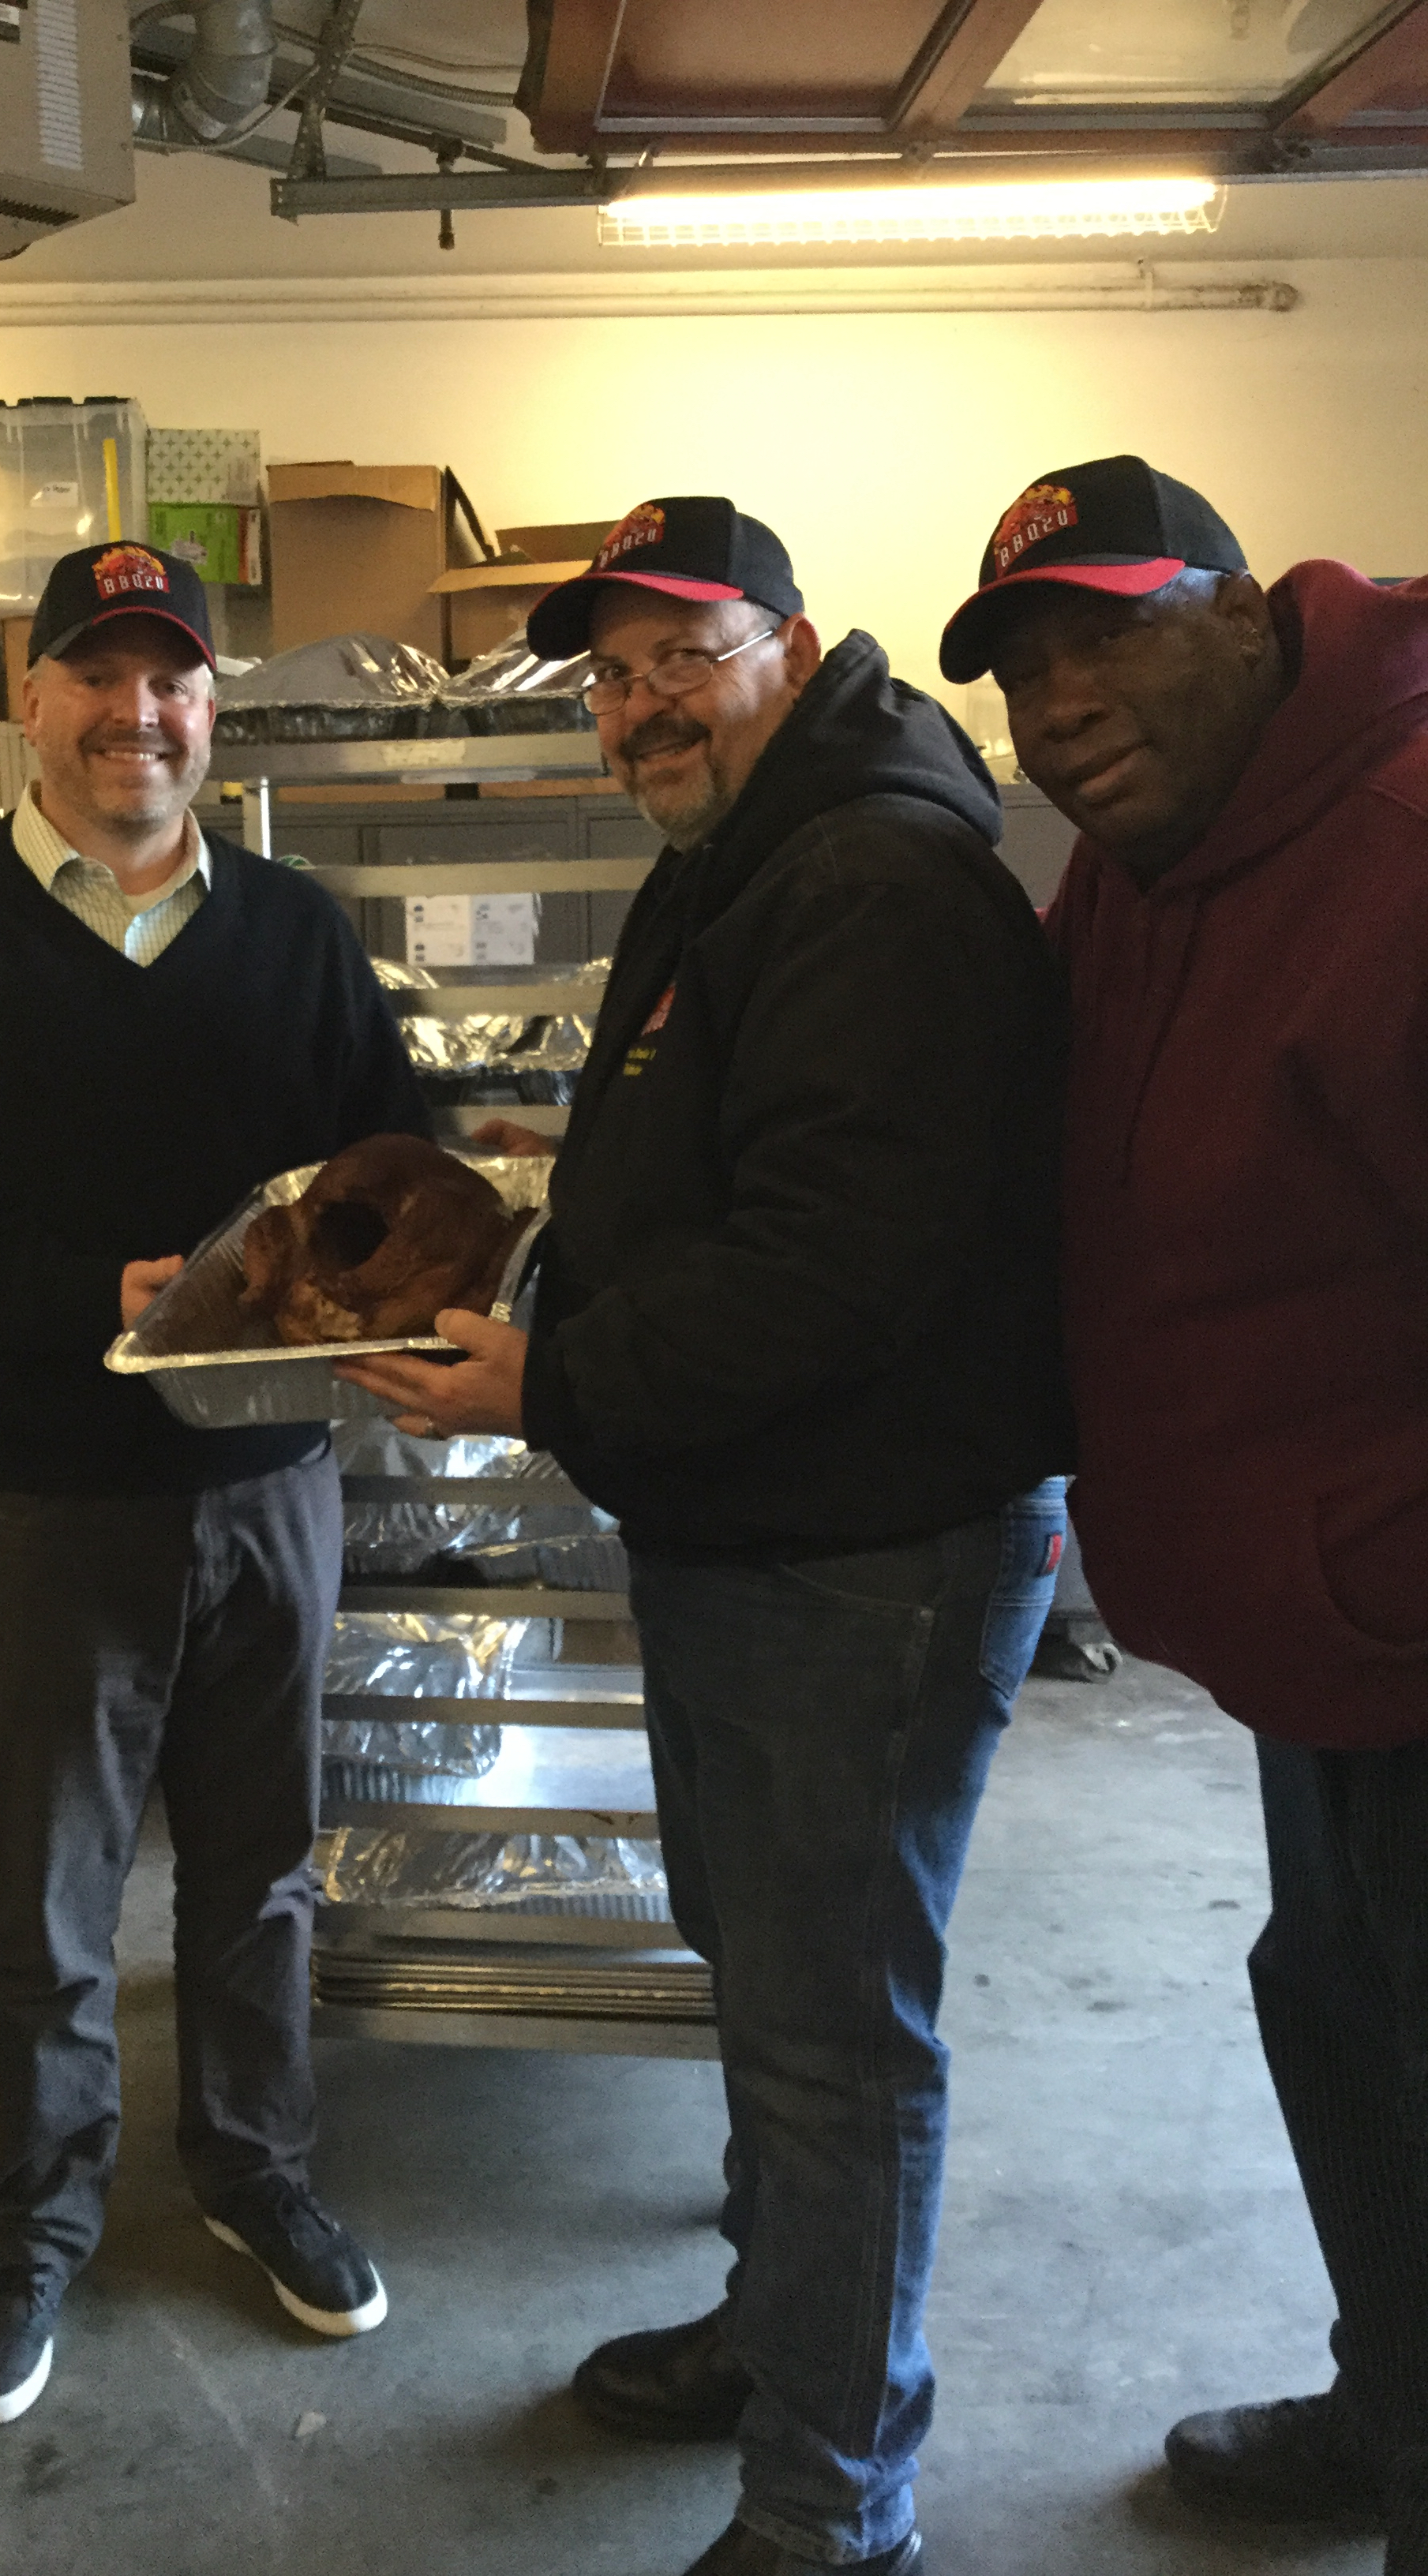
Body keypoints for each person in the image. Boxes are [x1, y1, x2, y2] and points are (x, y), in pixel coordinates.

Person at [341, 495, 1071, 2575]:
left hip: (869, 1553)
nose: (640, 702)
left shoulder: (872, 881)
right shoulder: (750, 860)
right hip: (761, 1531)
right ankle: (785, 2331)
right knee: (773, 1992)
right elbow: (726, 1173)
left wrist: (540, 1385)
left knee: (840, 2036)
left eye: (683, 652)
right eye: (613, 669)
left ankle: (838, 2500)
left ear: (794, 641)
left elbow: (831, 1266)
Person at [0, 540, 429, 2428]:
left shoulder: (295, 928)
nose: (134, 712)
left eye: (171, 679)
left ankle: (254, 2172)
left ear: (208, 710)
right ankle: (44, 2217)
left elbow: (375, 1161)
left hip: (271, 1485)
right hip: (39, 1498)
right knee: (53, 1894)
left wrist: (418, 1256)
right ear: (29, 692)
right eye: (97, 673)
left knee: (260, 1878)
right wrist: (96, 1298)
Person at [941, 453, 1428, 2576]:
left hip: (1408, 1618)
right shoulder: (1151, 857)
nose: (1063, 699)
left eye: (1109, 631)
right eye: (1029, 663)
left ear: (1246, 611)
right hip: (1315, 1622)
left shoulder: (1401, 853)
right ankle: (1392, 2398)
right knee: (1331, 2000)